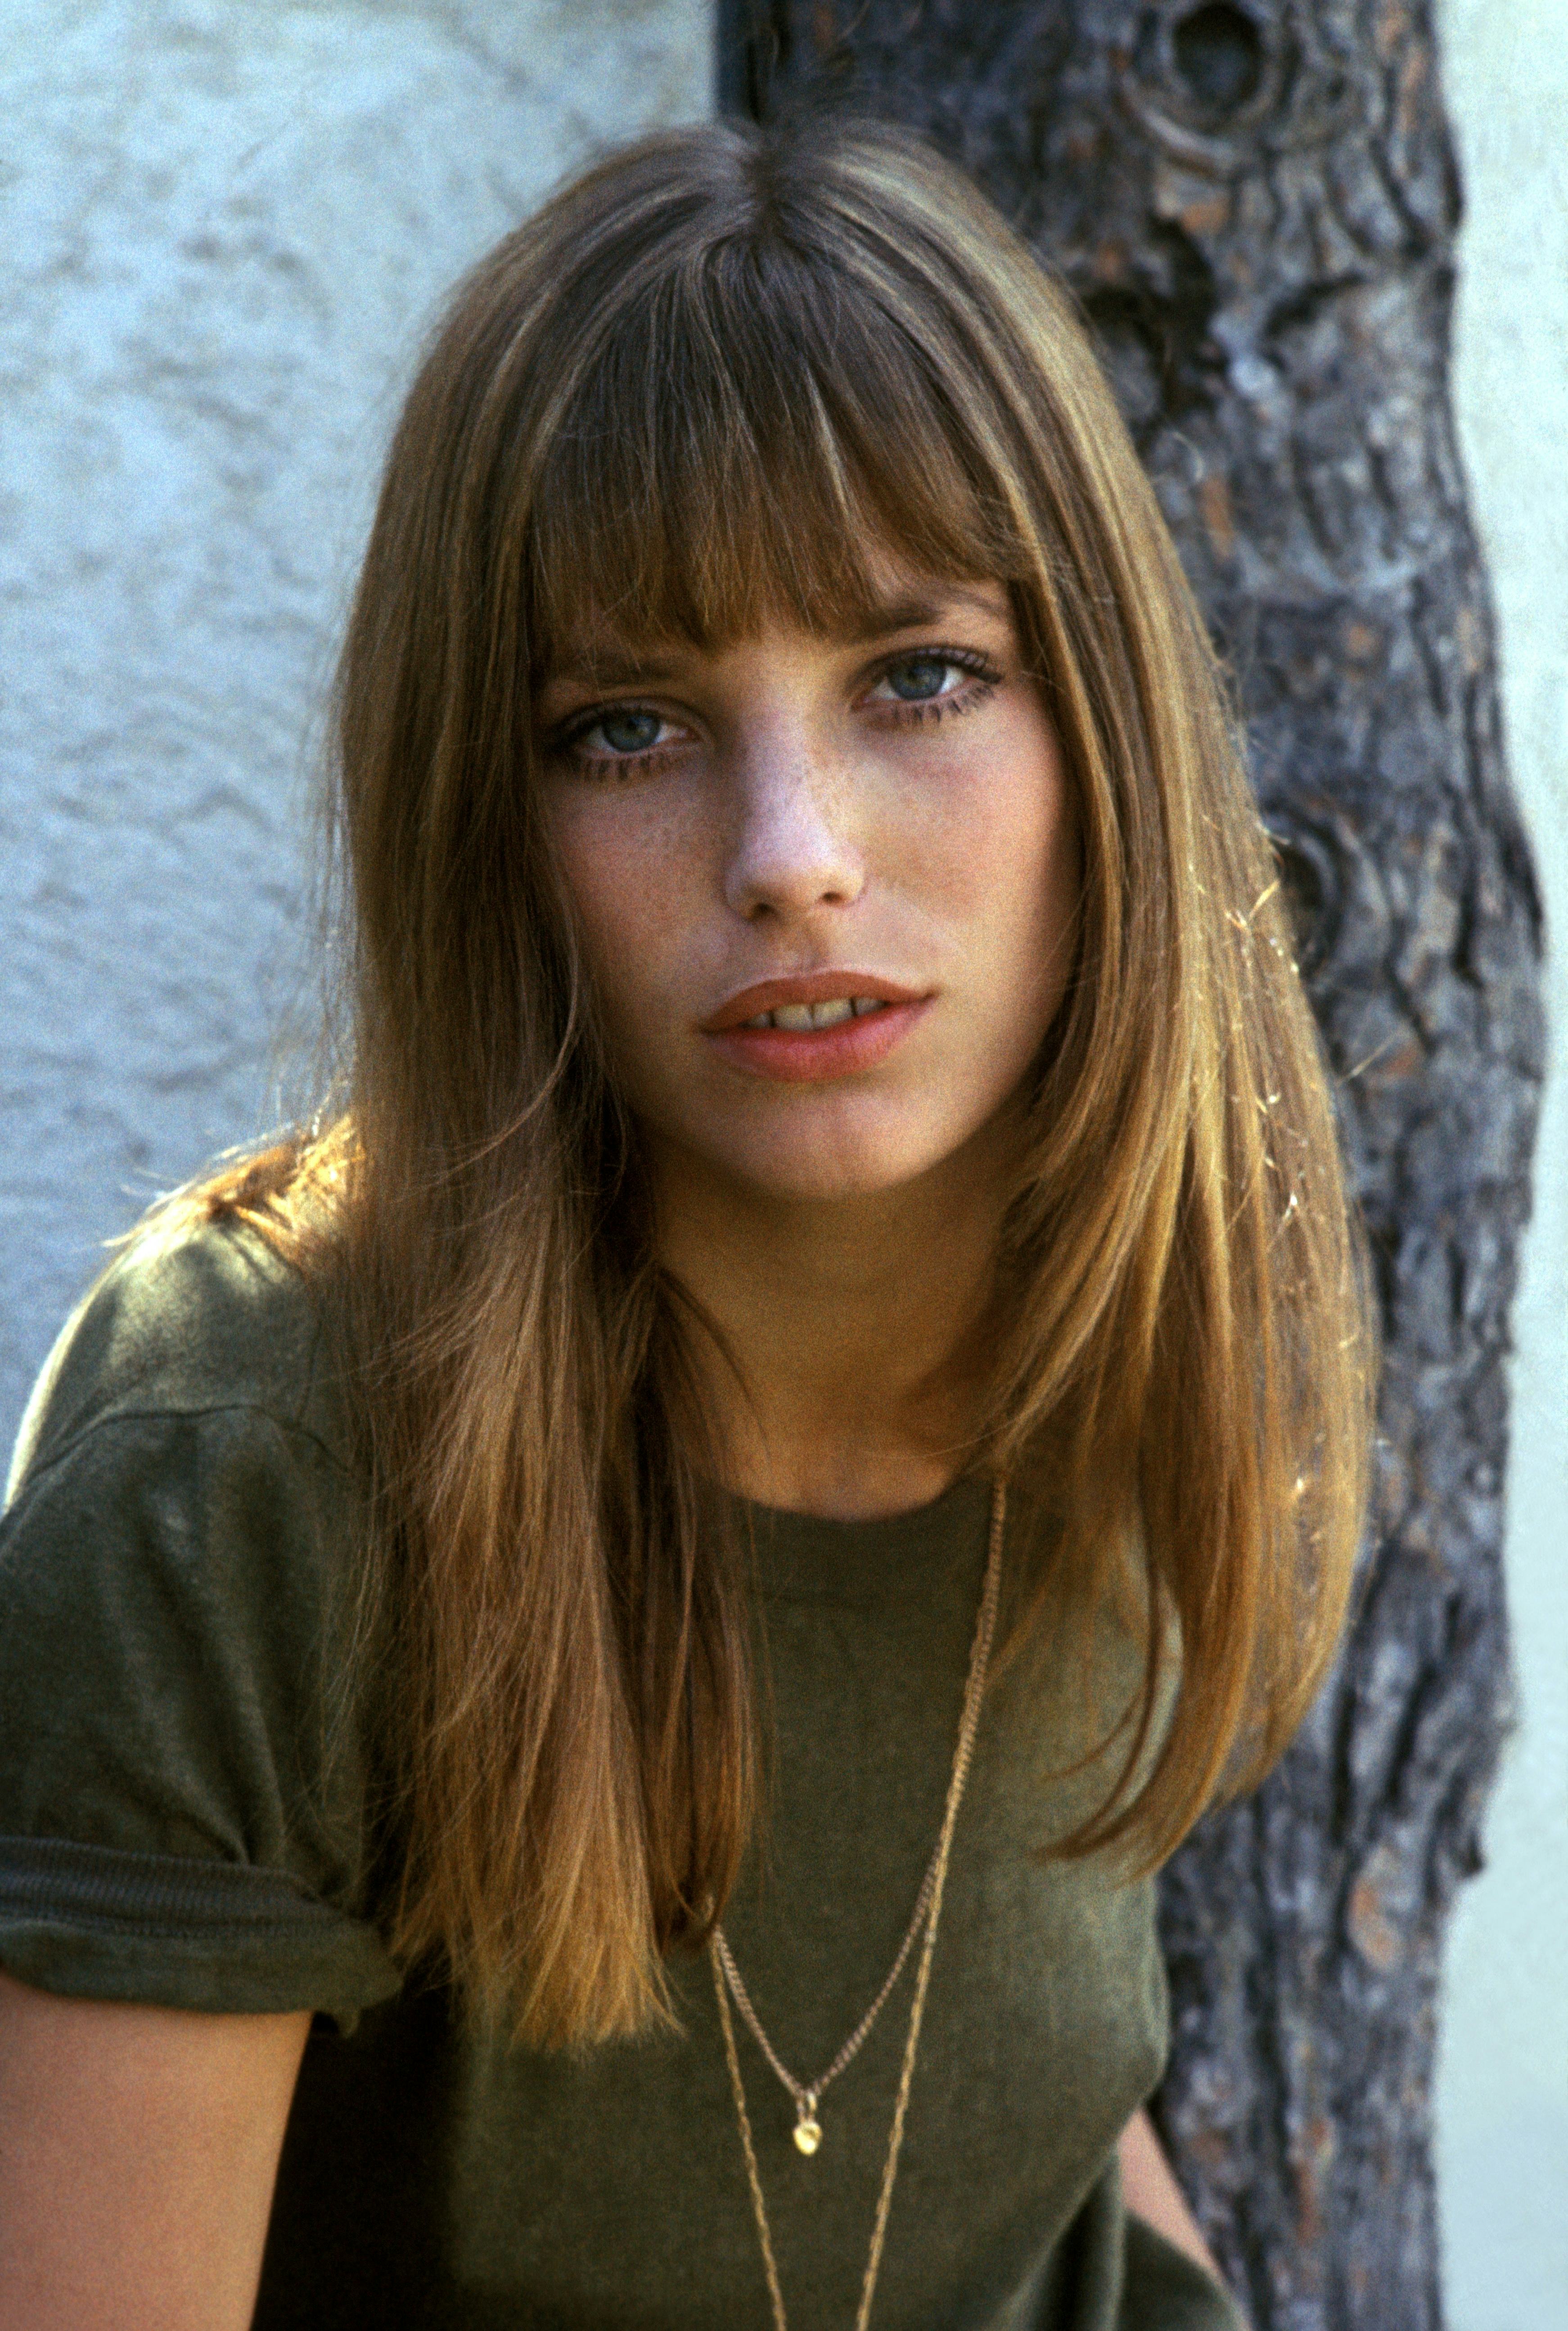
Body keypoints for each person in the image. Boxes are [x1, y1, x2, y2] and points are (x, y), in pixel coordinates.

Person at [0, 116, 1372, 2331]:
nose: (792, 849)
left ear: (1100, 728)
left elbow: (1026, 2088)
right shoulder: (242, 1480)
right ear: (492, 824)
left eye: (916, 674)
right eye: (624, 725)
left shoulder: (1133, 1315)